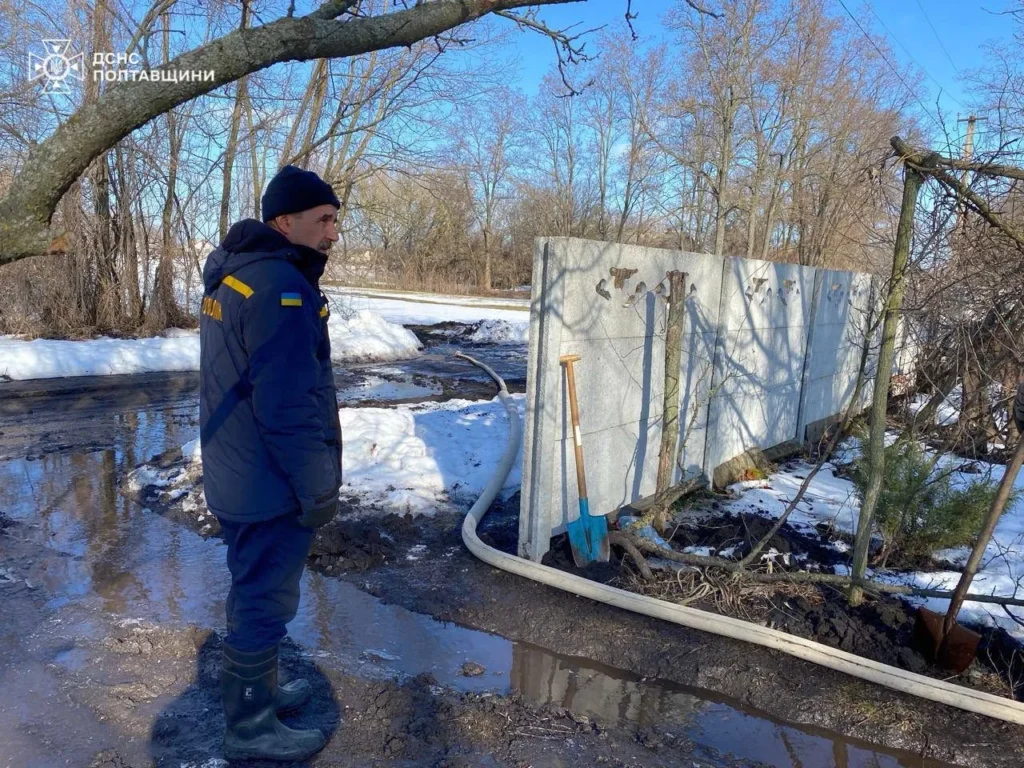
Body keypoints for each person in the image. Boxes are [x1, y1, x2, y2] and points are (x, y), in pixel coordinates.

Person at [198, 165, 344, 761]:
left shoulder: (238, 274)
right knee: (266, 599)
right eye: (323, 219)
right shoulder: (280, 288)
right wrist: (319, 488)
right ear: (284, 222)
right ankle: (250, 727)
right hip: (267, 483)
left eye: (335, 220)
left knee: (251, 587)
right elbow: (286, 406)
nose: (333, 232)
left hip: (236, 474)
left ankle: (260, 691)